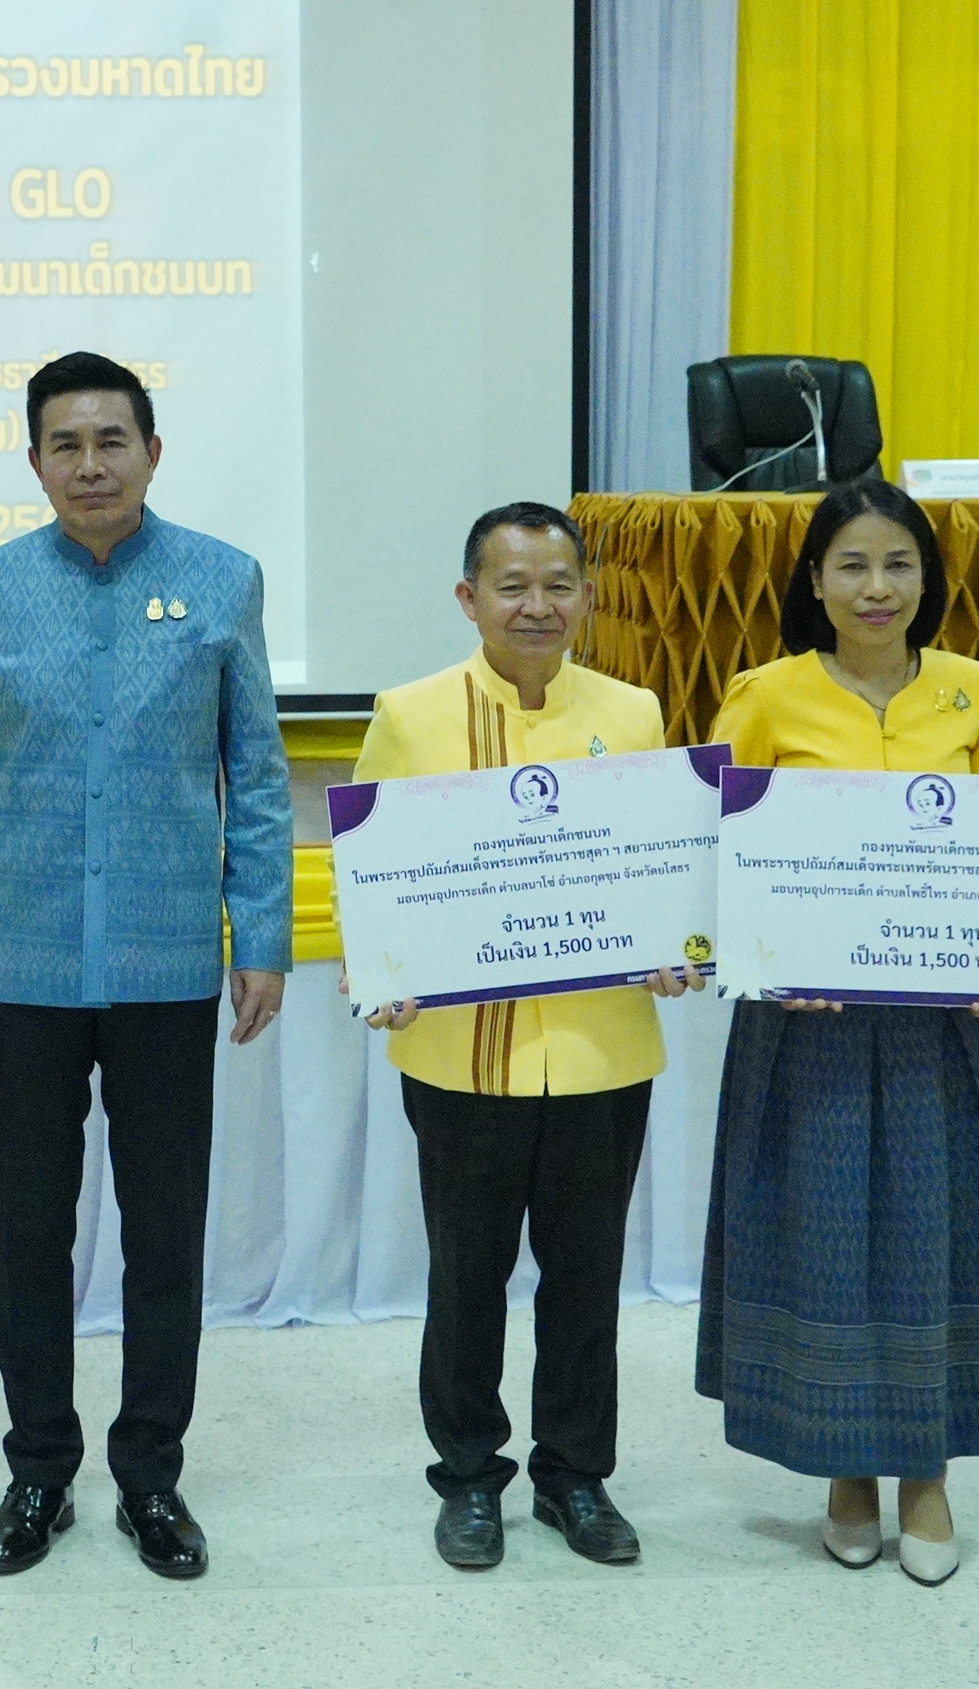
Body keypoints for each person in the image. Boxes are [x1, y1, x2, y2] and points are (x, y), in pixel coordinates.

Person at [0, 350, 290, 1581]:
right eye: (63, 445)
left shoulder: (221, 580)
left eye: (110, 440)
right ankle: (36, 1470)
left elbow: (261, 777)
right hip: (17, 964)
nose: (88, 465)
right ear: (33, 462)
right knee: (27, 1231)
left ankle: (151, 1476)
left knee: (164, 1233)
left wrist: (261, 935)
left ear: (152, 452)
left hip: (168, 958)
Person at [349, 502, 702, 1573]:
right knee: (466, 1274)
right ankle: (466, 1477)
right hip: (460, 1053)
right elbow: (374, 863)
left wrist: (679, 942)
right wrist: (384, 971)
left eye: (557, 584)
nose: (536, 606)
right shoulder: (409, 713)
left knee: (587, 1274)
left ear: (587, 595)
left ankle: (574, 1475)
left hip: (601, 1049)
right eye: (511, 586)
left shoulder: (634, 710)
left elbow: (667, 869)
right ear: (469, 599)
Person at [694, 480, 979, 1589]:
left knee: (938, 1241)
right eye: (850, 565)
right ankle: (842, 1468)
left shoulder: (977, 692)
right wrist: (761, 959)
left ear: (927, 578)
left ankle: (924, 1471)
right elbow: (718, 854)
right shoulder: (764, 694)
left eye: (896, 564)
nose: (874, 587)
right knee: (823, 1239)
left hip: (945, 1028)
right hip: (808, 1027)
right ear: (812, 580)